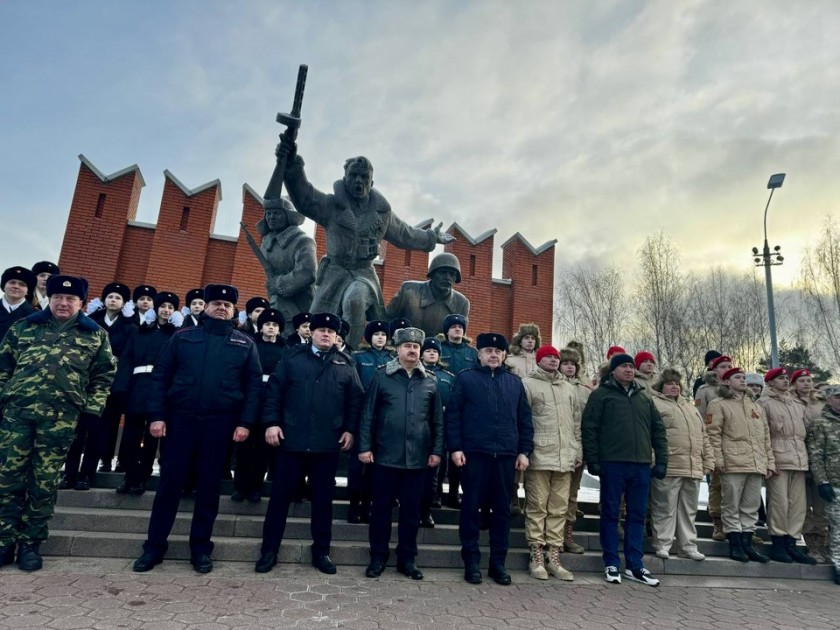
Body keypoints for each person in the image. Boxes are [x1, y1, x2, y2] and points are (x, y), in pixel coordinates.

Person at [132, 284, 262, 574]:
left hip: (220, 425)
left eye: (227, 305)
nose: (221, 308)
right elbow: (161, 377)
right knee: (168, 486)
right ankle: (153, 547)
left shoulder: (244, 343)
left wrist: (244, 423)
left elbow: (253, 388)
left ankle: (201, 548)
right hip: (180, 421)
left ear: (233, 311)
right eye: (216, 303)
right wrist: (157, 416)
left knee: (208, 489)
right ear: (206, 306)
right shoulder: (183, 337)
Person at [279, 140, 455, 348]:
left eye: (364, 177)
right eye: (353, 175)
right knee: (318, 319)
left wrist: (431, 238)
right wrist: (291, 163)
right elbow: (304, 197)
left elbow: (404, 234)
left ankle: (348, 353)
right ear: (345, 179)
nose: (358, 180)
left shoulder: (382, 212)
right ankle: (314, 356)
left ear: (372, 182)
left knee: (355, 300)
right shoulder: (331, 206)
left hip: (363, 274)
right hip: (335, 270)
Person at [0, 275, 115, 571]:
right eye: (58, 298)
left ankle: (30, 543)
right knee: (7, 479)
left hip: (61, 420)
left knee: (44, 482)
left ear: (82, 303)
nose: (63, 303)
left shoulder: (95, 335)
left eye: (71, 299)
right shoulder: (24, 327)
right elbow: (3, 367)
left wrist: (92, 412)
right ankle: (4, 541)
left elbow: (103, 378)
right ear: (49, 299)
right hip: (17, 417)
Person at [255, 313, 364, 575]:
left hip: (327, 445)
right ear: (311, 333)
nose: (326, 334)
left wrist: (350, 429)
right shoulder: (291, 358)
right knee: (279, 500)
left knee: (323, 502)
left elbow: (355, 400)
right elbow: (274, 393)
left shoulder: (346, 363)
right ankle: (269, 551)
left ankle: (322, 552)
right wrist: (271, 422)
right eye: (321, 330)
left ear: (337, 336)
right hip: (291, 442)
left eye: (331, 331)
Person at [446, 333, 534, 586]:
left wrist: (524, 451)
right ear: (479, 354)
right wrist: (456, 448)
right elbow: (454, 416)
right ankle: (471, 562)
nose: (493, 355)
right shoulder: (465, 379)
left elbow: (525, 421)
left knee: (502, 513)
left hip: (506, 456)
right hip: (474, 455)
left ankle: (498, 563)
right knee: (470, 508)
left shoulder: (515, 383)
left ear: (505, 355)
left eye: (498, 351)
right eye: (488, 351)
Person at [358, 327, 443, 580]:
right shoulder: (382, 376)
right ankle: (378, 557)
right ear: (398, 349)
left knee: (411, 513)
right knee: (381, 510)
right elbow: (368, 415)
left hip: (417, 459)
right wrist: (364, 446)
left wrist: (437, 450)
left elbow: (437, 420)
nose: (412, 350)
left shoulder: (430, 380)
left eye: (416, 347)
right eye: (407, 346)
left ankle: (407, 559)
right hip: (386, 456)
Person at [582, 353, 667, 587]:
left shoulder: (644, 397)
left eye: (631, 366)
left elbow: (658, 430)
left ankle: (635, 565)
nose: (629, 370)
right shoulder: (601, 395)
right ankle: (611, 562)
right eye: (624, 366)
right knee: (610, 513)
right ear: (613, 371)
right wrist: (594, 460)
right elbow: (589, 428)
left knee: (637, 515)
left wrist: (661, 461)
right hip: (612, 464)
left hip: (640, 465)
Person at [63, 282, 134, 488]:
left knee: (98, 431)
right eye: (110, 296)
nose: (113, 300)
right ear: (104, 299)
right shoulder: (88, 322)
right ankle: (69, 473)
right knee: (77, 432)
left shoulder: (129, 328)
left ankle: (87, 474)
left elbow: (128, 359)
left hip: (109, 387)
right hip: (83, 383)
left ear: (124, 303)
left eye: (118, 298)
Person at [112, 291, 180, 495]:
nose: (166, 311)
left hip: (160, 392)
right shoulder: (139, 332)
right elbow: (126, 361)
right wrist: (122, 388)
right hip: (137, 388)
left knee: (152, 437)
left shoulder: (176, 335)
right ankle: (129, 477)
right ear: (156, 309)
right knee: (131, 436)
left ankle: (143, 476)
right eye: (163, 306)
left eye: (170, 307)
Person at [521, 345, 580, 581]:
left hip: (565, 459)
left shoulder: (568, 387)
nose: (554, 361)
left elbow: (576, 424)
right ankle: (536, 556)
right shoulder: (528, 384)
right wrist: (524, 452)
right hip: (539, 457)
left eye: (556, 357)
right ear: (539, 360)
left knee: (559, 509)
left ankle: (553, 557)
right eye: (548, 357)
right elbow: (523, 420)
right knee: (537, 508)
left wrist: (577, 451)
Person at [706, 367, 775, 564]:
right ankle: (735, 545)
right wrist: (717, 460)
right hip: (732, 463)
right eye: (737, 377)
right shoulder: (718, 404)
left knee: (751, 506)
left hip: (755, 463)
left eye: (744, 378)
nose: (743, 381)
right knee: (731, 504)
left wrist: (768, 461)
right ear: (727, 382)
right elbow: (713, 434)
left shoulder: (755, 406)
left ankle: (747, 544)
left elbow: (765, 437)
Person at [649, 368, 713, 561]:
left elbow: (703, 436)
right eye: (669, 383)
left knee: (688, 510)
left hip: (692, 466)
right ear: (661, 386)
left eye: (677, 384)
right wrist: (654, 459)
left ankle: (688, 546)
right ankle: (662, 544)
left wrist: (708, 460)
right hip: (668, 465)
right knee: (664, 507)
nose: (674, 387)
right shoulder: (654, 404)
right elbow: (649, 434)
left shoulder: (690, 407)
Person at [757, 368, 816, 564]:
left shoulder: (797, 404)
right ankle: (778, 544)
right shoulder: (764, 403)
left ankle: (792, 543)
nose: (784, 380)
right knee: (779, 504)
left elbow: (805, 433)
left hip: (799, 459)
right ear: (770, 382)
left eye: (785, 378)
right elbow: (762, 435)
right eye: (779, 378)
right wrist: (768, 461)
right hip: (778, 459)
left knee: (798, 506)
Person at [232, 308, 286, 503]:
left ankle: (255, 488)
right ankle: (240, 487)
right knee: (245, 446)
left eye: (275, 325)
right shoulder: (250, 345)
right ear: (261, 327)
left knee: (263, 450)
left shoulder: (285, 350)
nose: (271, 328)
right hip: (250, 401)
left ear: (279, 329)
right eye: (267, 324)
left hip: (271, 403)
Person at [347, 320, 391, 524]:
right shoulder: (358, 358)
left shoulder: (392, 359)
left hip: (383, 420)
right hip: (362, 417)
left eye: (383, 334)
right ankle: (354, 506)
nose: (380, 337)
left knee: (376, 467)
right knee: (358, 465)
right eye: (376, 334)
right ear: (369, 337)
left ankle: (368, 506)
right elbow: (353, 387)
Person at [257, 197, 316, 336]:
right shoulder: (267, 242)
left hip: (301, 304)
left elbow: (307, 274)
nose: (271, 217)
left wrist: (277, 285)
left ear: (288, 215)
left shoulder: (303, 241)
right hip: (277, 301)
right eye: (268, 213)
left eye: (277, 212)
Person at [438, 314, 477, 509]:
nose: (457, 330)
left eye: (460, 327)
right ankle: (436, 493)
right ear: (447, 330)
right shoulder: (440, 349)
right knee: (439, 451)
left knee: (458, 453)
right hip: (440, 407)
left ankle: (454, 493)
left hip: (464, 410)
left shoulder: (472, 353)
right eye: (453, 327)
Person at [791, 369, 830, 563]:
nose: (806, 384)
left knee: (821, 505)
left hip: (820, 458)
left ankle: (822, 543)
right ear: (794, 384)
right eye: (801, 381)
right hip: (798, 455)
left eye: (809, 380)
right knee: (803, 505)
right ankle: (811, 545)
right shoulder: (790, 401)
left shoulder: (821, 403)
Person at [385, 253, 470, 337]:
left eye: (452, 274)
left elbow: (460, 337)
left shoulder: (461, 303)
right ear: (432, 274)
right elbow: (387, 319)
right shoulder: (409, 291)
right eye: (442, 273)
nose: (447, 277)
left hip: (437, 349)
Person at [695, 354, 733, 541]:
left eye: (729, 366)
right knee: (717, 485)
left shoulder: (735, 389)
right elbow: (700, 417)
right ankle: (718, 525)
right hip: (715, 442)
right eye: (723, 366)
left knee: (736, 488)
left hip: (736, 445)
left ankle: (737, 527)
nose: (727, 368)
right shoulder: (705, 390)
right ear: (714, 369)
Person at [805, 384, 840, 585]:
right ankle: (838, 565)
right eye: (837, 397)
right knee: (837, 529)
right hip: (834, 483)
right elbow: (816, 456)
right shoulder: (821, 424)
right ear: (828, 400)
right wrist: (823, 481)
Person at [559, 344, 591, 555]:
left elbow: (589, 421)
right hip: (554, 447)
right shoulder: (555, 384)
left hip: (577, 448)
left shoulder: (586, 389)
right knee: (554, 496)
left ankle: (567, 536)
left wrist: (583, 450)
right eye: (566, 363)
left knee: (571, 494)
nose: (570, 367)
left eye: (573, 364)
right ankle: (551, 537)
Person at [420, 336, 455, 525]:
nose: (432, 353)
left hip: (439, 428)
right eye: (428, 351)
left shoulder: (448, 377)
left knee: (436, 472)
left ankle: (429, 505)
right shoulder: (416, 373)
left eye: (435, 351)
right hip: (417, 428)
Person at [0, 266, 37, 341]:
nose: (16, 286)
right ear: (4, 286)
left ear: (28, 291)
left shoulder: (36, 316)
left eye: (22, 284)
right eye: (12, 282)